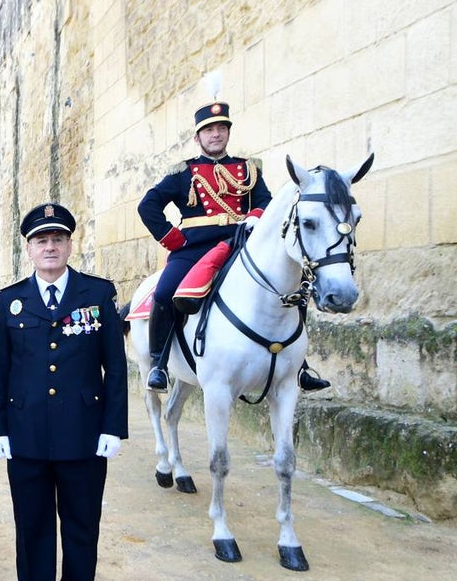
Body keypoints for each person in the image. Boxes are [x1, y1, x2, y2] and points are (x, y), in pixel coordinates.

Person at [0, 203, 128, 581]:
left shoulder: (97, 294)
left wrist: (113, 426)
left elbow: (115, 367)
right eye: (41, 240)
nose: (50, 247)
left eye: (58, 239)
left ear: (69, 245)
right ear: (29, 249)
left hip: (83, 433)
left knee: (82, 525)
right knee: (32, 526)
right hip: (25, 433)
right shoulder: (11, 300)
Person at [137, 101, 330, 393]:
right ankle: (159, 364)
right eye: (209, 130)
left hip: (241, 243)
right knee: (164, 292)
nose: (216, 134)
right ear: (197, 138)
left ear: (228, 132)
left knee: (293, 288)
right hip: (194, 249)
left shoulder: (247, 169)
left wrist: (254, 217)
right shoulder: (183, 173)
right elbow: (148, 205)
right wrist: (174, 239)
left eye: (221, 128)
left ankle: (299, 366)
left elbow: (265, 201)